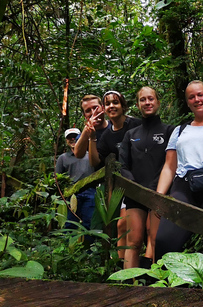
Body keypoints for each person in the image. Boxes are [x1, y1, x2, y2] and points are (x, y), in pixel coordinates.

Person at [155, 81, 203, 259]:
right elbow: (169, 166)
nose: (197, 99)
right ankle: (167, 285)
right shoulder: (180, 130)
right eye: (191, 97)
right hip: (183, 185)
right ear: (188, 102)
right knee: (164, 241)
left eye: (200, 95)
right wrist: (159, 196)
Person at [120, 87, 174, 268]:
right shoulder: (131, 134)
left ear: (158, 102)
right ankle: (127, 285)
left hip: (159, 192)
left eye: (151, 99)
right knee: (133, 241)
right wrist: (136, 189)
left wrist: (155, 189)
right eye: (143, 100)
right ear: (137, 105)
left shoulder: (169, 131)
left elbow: (170, 163)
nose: (147, 103)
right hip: (135, 194)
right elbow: (122, 165)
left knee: (155, 238)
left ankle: (152, 284)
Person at [91, 91, 140, 261]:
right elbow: (97, 162)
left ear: (123, 105)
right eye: (108, 103)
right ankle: (120, 267)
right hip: (124, 185)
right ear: (104, 109)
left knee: (138, 227)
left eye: (116, 102)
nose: (112, 106)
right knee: (121, 225)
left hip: (142, 179)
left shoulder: (135, 125)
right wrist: (91, 137)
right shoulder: (106, 136)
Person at [55, 128, 96, 230]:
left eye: (75, 137)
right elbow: (58, 178)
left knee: (89, 222)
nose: (72, 139)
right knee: (70, 223)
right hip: (71, 194)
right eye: (69, 138)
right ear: (66, 140)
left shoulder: (89, 155)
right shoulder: (63, 158)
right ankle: (68, 245)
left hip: (90, 192)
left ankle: (88, 245)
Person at [73, 94, 107, 159]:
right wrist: (87, 130)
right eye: (88, 111)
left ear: (103, 108)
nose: (93, 112)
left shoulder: (114, 125)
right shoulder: (85, 133)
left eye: (96, 108)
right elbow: (78, 154)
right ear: (85, 115)